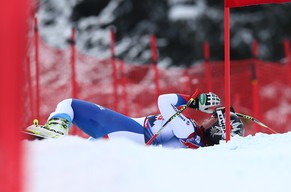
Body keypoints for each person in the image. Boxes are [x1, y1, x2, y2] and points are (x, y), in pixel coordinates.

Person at [26, 89, 244, 148]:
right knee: (77, 153)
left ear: (217, 130)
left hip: (129, 134)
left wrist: (194, 101)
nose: (209, 117)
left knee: (70, 105)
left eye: (215, 119)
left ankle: (55, 132)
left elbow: (164, 101)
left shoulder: (189, 131)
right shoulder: (194, 138)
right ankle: (50, 144)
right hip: (125, 140)